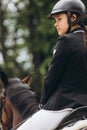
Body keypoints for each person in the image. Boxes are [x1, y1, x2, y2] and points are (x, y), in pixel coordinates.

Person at [17, 0, 87, 129]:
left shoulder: (66, 41)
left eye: (59, 19)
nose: (56, 24)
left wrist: (42, 103)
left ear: (73, 17)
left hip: (64, 105)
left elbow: (51, 78)